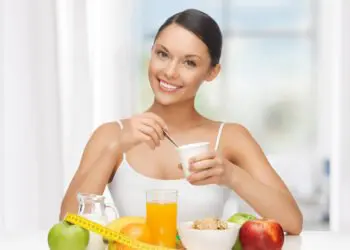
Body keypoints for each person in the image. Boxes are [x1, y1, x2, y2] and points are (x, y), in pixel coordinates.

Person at [60, 8, 303, 235]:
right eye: (163, 54)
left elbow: (292, 223)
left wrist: (231, 176)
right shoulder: (112, 134)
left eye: (189, 62)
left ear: (211, 72)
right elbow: (67, 226)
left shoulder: (231, 137)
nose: (170, 72)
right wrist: (114, 148)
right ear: (151, 52)